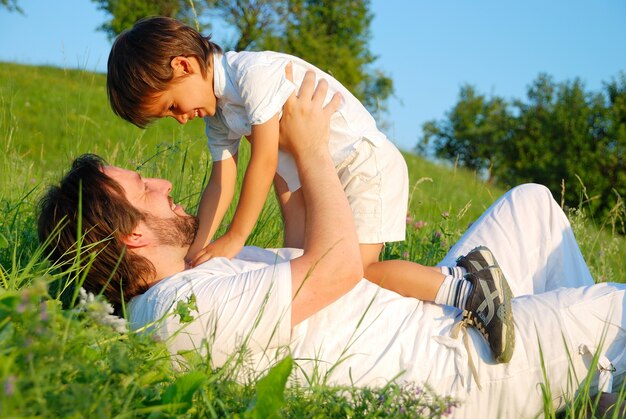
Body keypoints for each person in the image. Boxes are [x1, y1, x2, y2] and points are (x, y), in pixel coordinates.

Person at [39, 71, 625, 418]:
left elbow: (303, 259)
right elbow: (339, 267)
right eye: (145, 187)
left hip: (439, 315)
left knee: (533, 205)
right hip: (456, 369)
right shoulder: (174, 311)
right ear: (131, 234)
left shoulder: (199, 269)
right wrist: (315, 149)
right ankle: (557, 364)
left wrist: (282, 164)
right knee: (619, 309)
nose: (165, 182)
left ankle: (582, 379)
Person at [105, 16, 514, 362]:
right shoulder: (219, 115)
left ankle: (467, 286)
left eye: (172, 106)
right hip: (327, 177)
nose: (179, 120)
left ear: (184, 65)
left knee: (358, 273)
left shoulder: (252, 75)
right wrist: (199, 248)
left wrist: (236, 236)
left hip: (362, 163)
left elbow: (263, 160)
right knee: (304, 264)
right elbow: (221, 179)